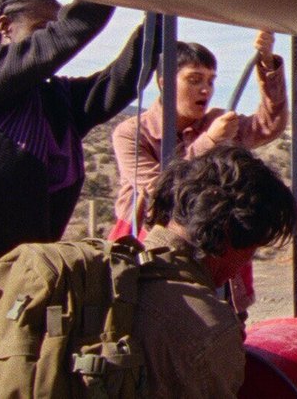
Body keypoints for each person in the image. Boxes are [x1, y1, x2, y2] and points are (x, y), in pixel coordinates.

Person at [0, 0, 157, 330]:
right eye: (43, 27)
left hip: (20, 263)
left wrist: (158, 16)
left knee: (38, 355)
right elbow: (65, 37)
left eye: (55, 26)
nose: (52, 36)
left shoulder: (57, 102)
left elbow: (121, 80)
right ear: (6, 26)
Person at [110, 32, 287, 312]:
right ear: (165, 83)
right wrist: (210, 142)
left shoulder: (216, 120)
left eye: (210, 81)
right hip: (150, 244)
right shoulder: (132, 133)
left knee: (220, 320)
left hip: (213, 245)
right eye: (194, 80)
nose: (205, 89)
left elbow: (268, 125)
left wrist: (267, 65)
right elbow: (161, 190)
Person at [134, 144, 297, 398]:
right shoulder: (209, 329)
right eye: (253, 249)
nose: (244, 264)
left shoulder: (105, 274)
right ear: (231, 235)